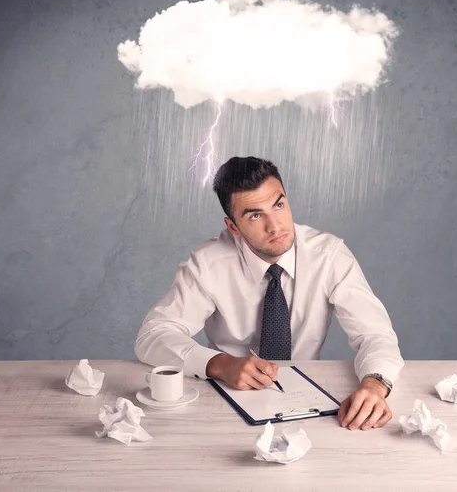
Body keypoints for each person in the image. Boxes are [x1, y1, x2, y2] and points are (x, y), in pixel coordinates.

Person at [135, 156, 404, 431]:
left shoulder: (328, 255)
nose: (275, 226)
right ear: (233, 227)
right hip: (226, 400)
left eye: (279, 205)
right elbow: (153, 335)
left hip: (309, 404)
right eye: (255, 215)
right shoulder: (208, 265)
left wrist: (374, 385)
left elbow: (375, 334)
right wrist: (219, 364)